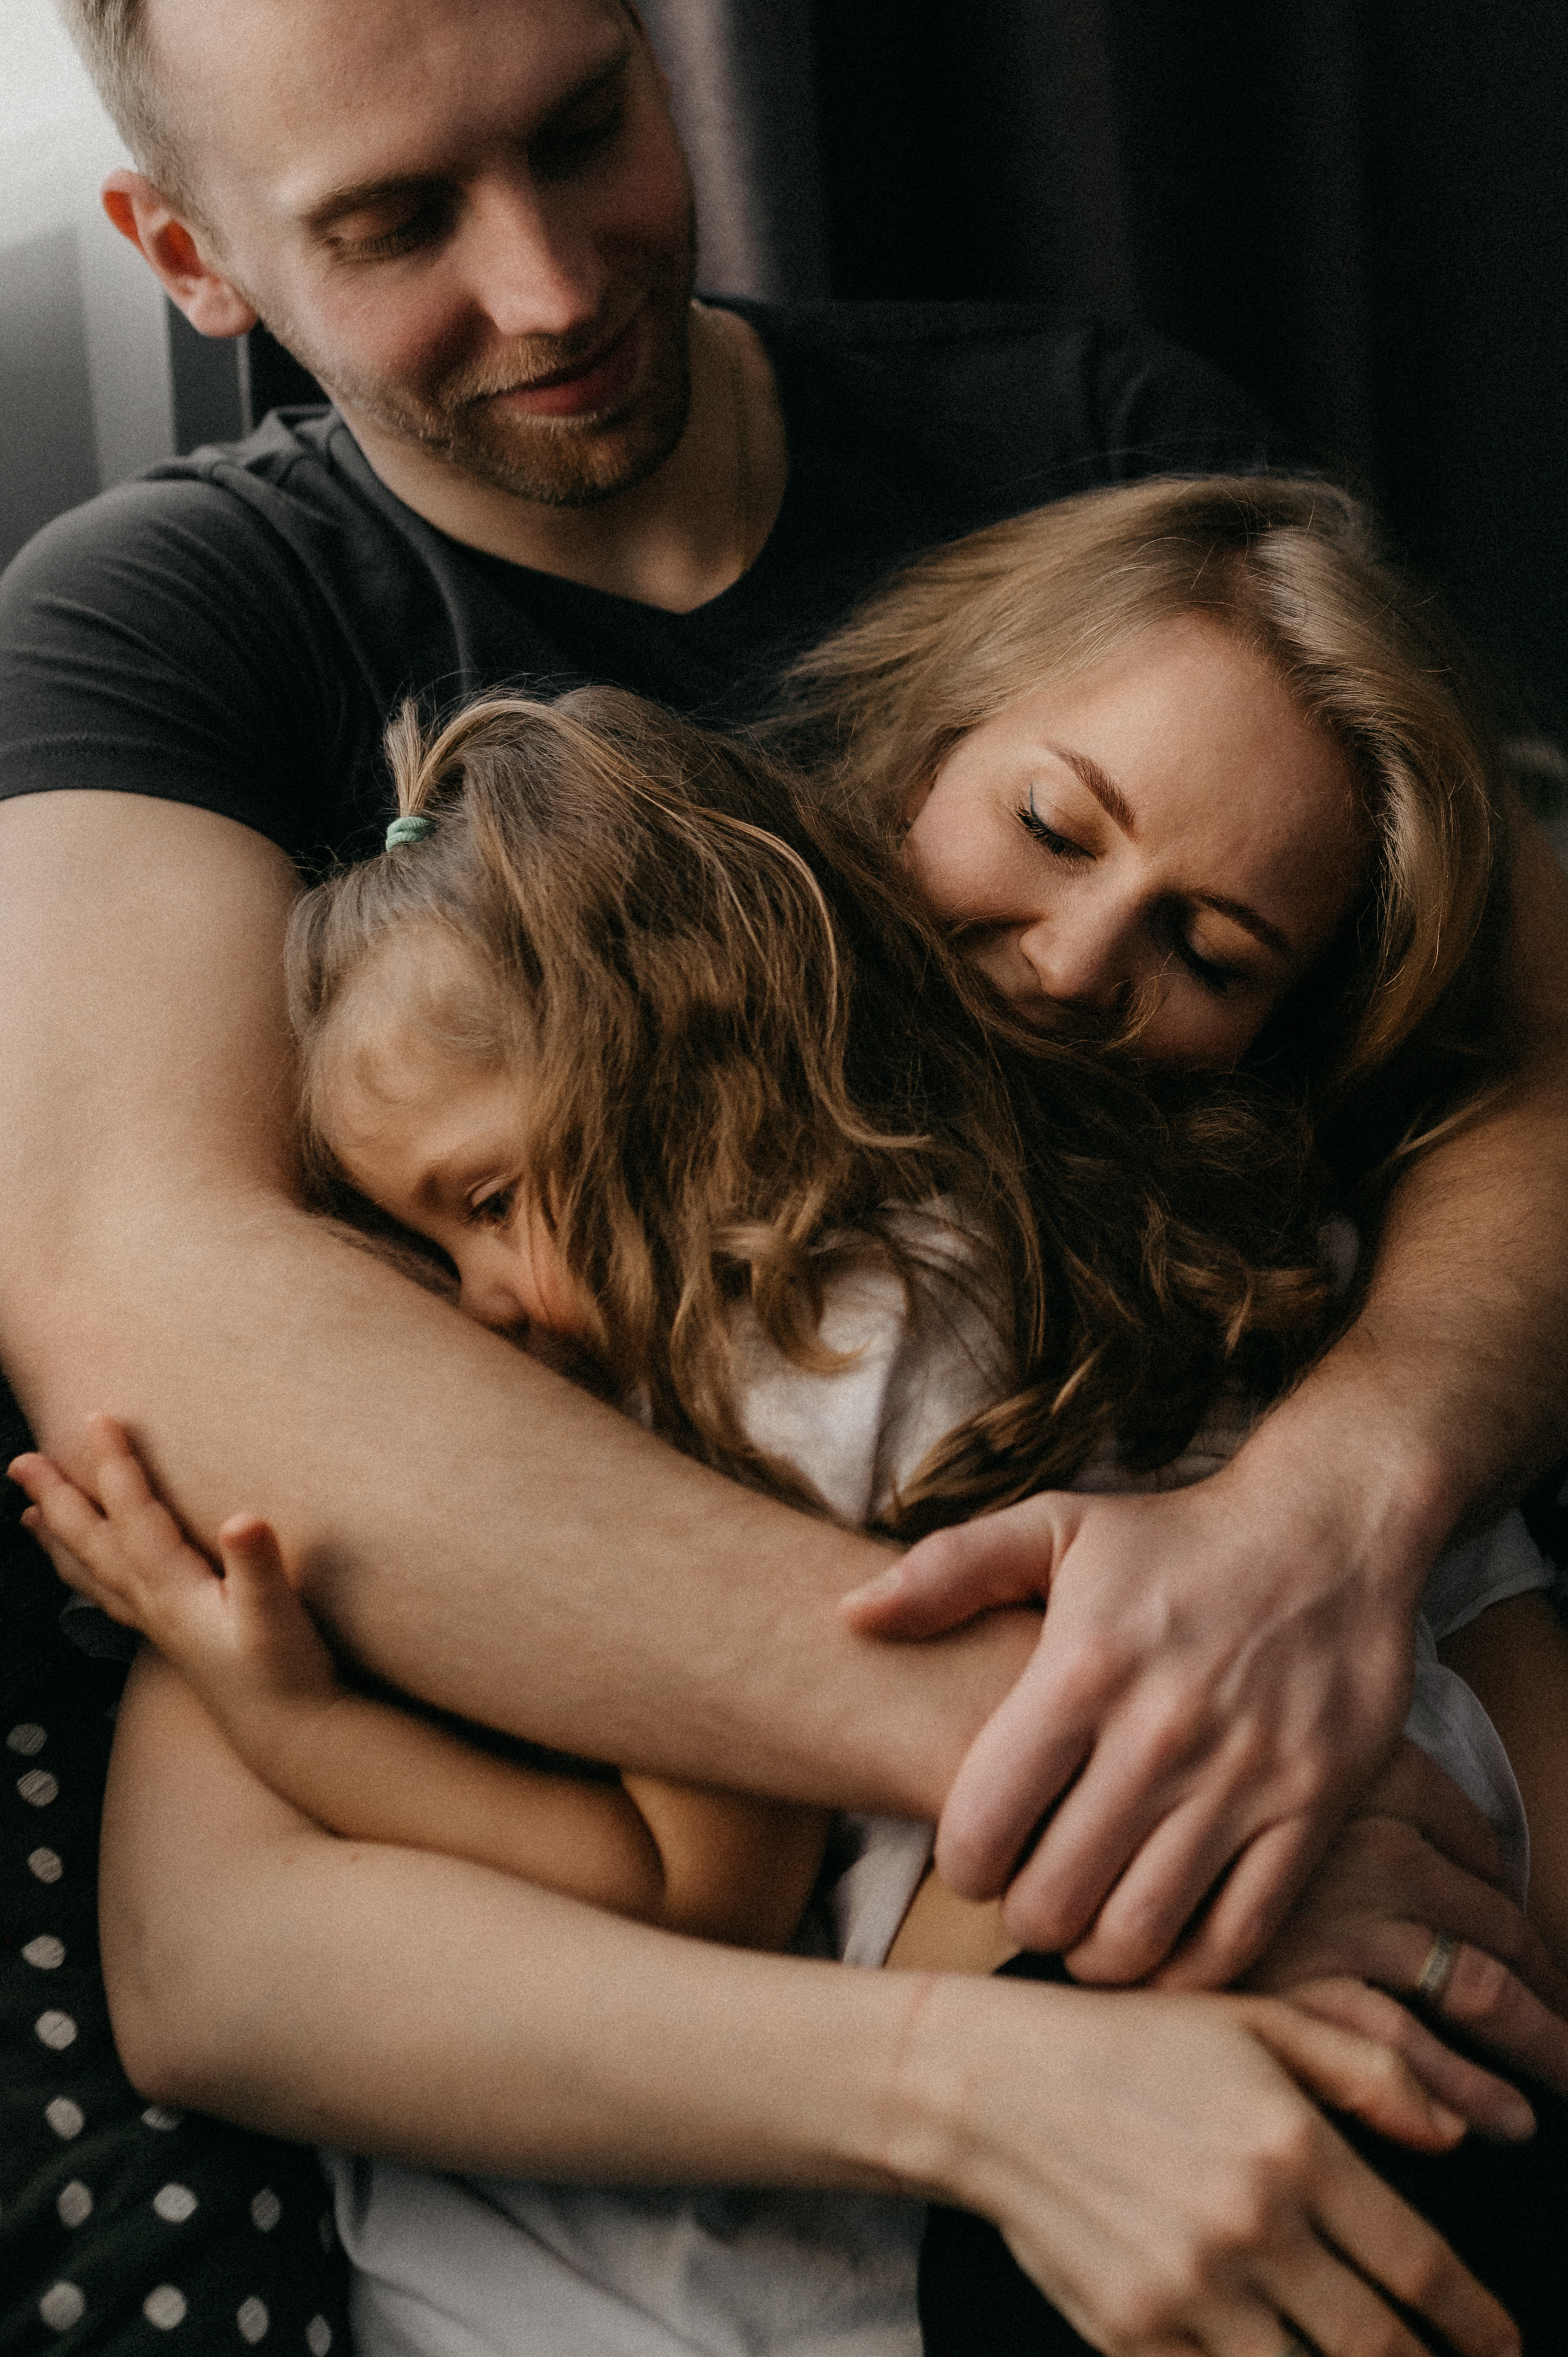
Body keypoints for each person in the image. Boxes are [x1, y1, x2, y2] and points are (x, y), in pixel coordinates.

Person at [2, 0, 1567, 2333]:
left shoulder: (1085, 452)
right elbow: (148, 1297)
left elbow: (1525, 1045)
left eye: (583, 129)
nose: (547, 286)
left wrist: (1324, 1521)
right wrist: (1105, 1806)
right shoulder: (174, 623)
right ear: (186, 257)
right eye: (397, 221)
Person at [11, 673, 1559, 2357]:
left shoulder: (738, 1397)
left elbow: (686, 1892)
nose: (487, 1310)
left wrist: (289, 1713)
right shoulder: (1144, 1234)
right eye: (427, 1246)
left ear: (672, 1048)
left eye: (497, 1200)